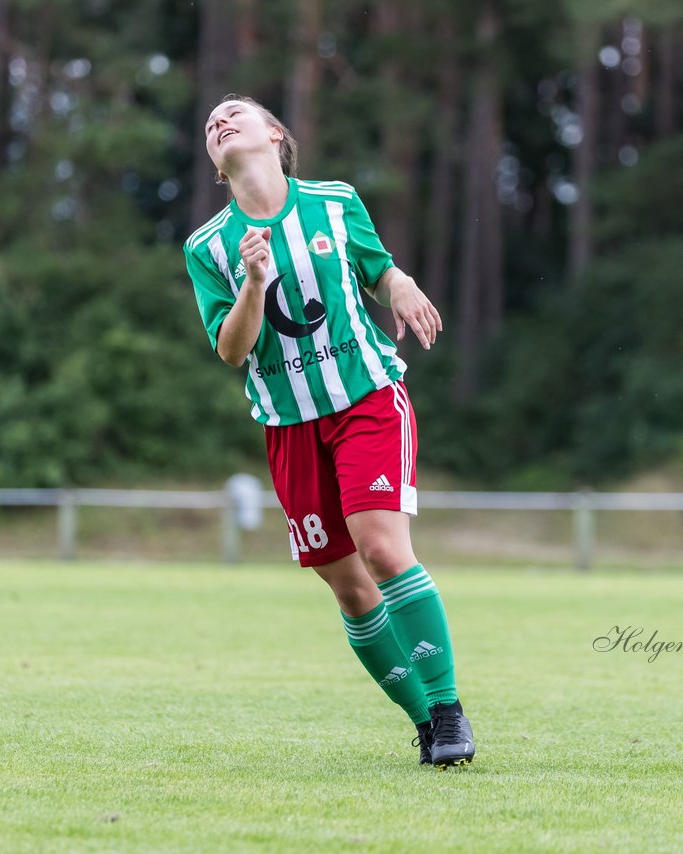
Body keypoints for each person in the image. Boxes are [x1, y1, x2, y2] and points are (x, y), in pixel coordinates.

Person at [184, 95, 474, 768]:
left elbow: (376, 267)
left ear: (275, 135)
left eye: (235, 114)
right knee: (349, 588)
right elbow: (232, 351)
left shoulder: (333, 201)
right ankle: (427, 720)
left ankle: (451, 705)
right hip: (289, 427)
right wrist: (254, 284)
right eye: (210, 126)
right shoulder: (208, 246)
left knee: (381, 548)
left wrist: (399, 284)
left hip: (367, 399)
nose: (219, 123)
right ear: (215, 164)